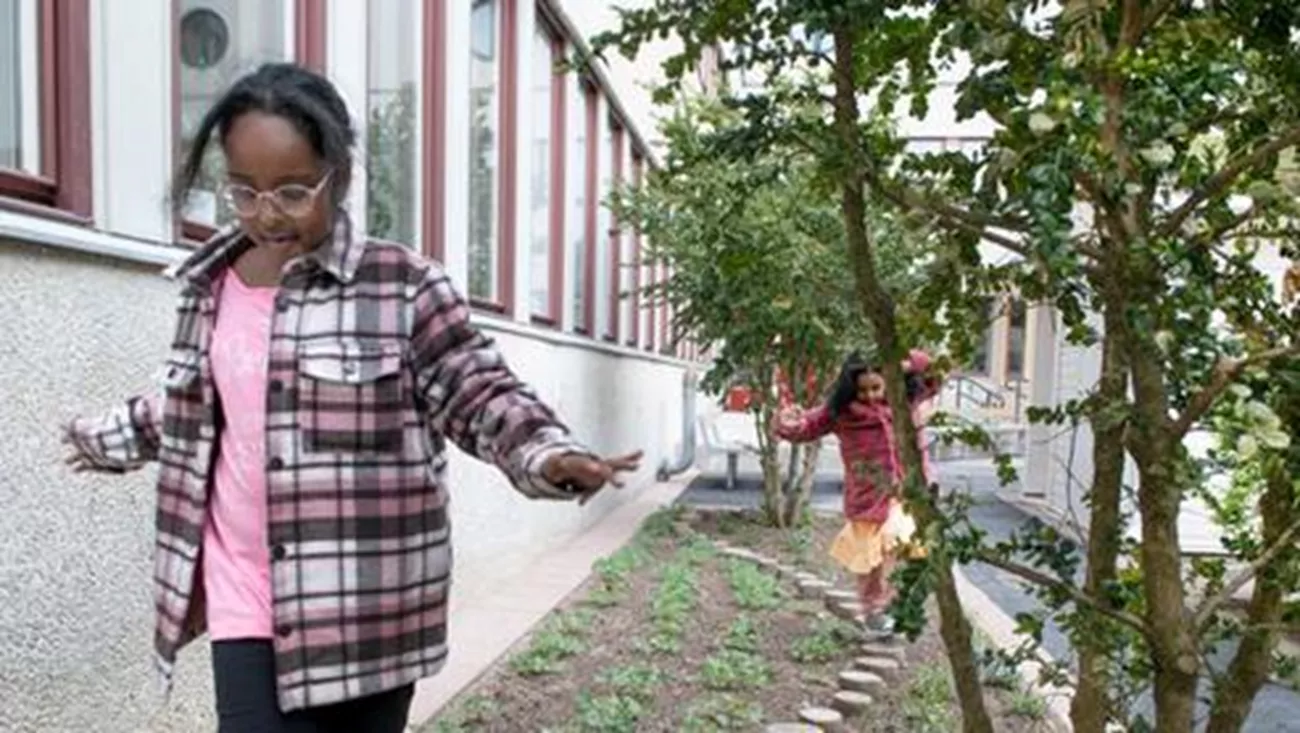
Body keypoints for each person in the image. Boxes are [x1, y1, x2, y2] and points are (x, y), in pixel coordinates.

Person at [60, 62, 641, 733]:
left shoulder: (401, 287)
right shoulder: (210, 286)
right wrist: (105, 437)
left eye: (293, 190)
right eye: (243, 192)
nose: (266, 213)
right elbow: (200, 403)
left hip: (367, 605)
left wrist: (547, 454)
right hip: (246, 591)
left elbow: (478, 390)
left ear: (339, 174)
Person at [774, 349, 941, 634]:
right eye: (863, 390)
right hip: (867, 498)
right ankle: (874, 610)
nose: (871, 396)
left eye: (876, 387)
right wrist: (786, 422)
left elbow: (934, 375)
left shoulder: (905, 402)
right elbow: (806, 428)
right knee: (870, 562)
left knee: (900, 542)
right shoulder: (842, 414)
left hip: (906, 493)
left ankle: (898, 604)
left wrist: (905, 360)